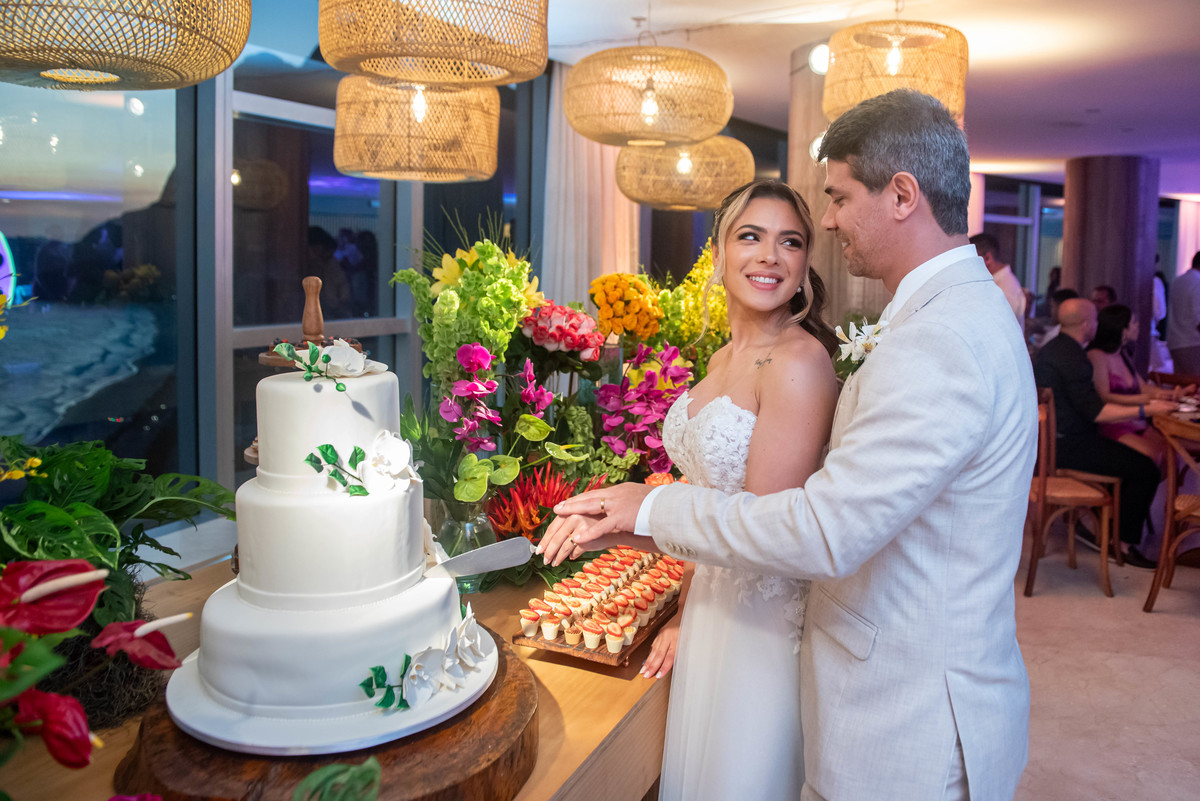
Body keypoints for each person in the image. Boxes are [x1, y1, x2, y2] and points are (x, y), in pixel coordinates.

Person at [542, 89, 1036, 801]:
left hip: (908, 720)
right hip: (872, 674)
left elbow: (826, 529)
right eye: (750, 235)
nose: (828, 219)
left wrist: (648, 510)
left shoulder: (941, 340)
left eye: (836, 199)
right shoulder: (949, 315)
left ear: (901, 195)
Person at [636, 179, 838, 800]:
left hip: (761, 633)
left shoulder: (798, 364)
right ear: (719, 255)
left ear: (806, 266)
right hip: (712, 609)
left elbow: (762, 531)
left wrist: (641, 514)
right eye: (750, 236)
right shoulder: (723, 359)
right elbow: (708, 498)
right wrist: (679, 613)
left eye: (790, 242)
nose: (769, 256)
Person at [1034, 299, 1174, 564]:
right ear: (1087, 325)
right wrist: (1146, 410)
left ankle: (1105, 525)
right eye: (1095, 320)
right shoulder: (1072, 357)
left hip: (1056, 442)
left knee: (1136, 460)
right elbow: (1096, 411)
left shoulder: (1055, 349)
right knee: (1146, 470)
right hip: (1067, 446)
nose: (1097, 325)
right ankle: (1119, 545)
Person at [1087, 304, 1189, 464]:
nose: (1138, 325)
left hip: (1136, 420)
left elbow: (1142, 387)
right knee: (1151, 456)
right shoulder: (1096, 355)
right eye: (1133, 322)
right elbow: (1104, 396)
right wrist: (1148, 402)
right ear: (1122, 329)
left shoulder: (1123, 353)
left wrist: (1170, 395)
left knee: (1170, 453)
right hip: (1114, 423)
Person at [970, 232, 1026, 329]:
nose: (970, 266)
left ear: (987, 258)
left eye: (972, 260)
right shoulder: (998, 284)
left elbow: (997, 330)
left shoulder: (1005, 288)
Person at [1167, 251, 1200, 373]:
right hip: (1192, 342)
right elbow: (1198, 317)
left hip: (1175, 341)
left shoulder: (1178, 281)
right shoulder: (1198, 283)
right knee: (1194, 386)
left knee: (1181, 384)